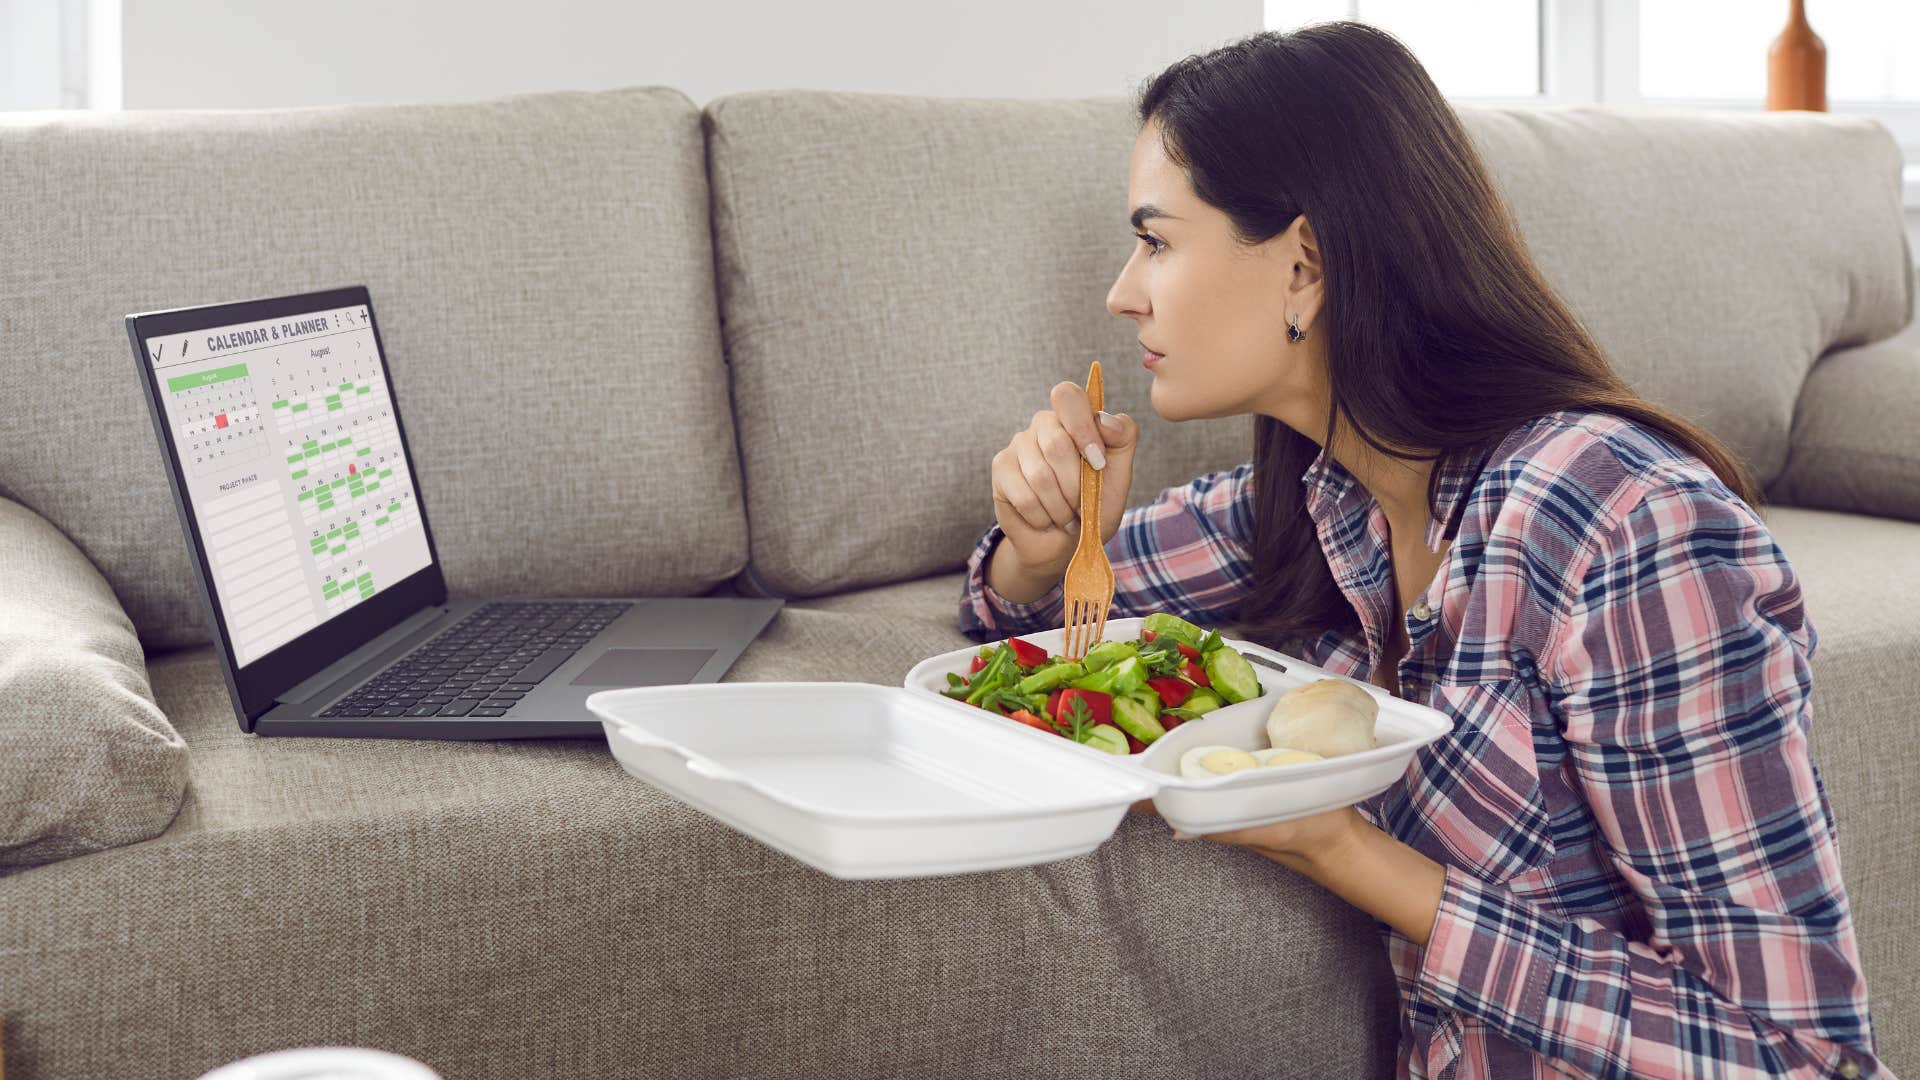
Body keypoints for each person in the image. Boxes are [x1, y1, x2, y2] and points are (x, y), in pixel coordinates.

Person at [957, 22, 1882, 1079]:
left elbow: (1800, 1058)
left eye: (1157, 241)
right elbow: (1021, 629)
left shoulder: (1625, 528)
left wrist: (1345, 849)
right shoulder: (1318, 502)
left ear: (1303, 265)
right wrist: (1042, 544)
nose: (1124, 291)